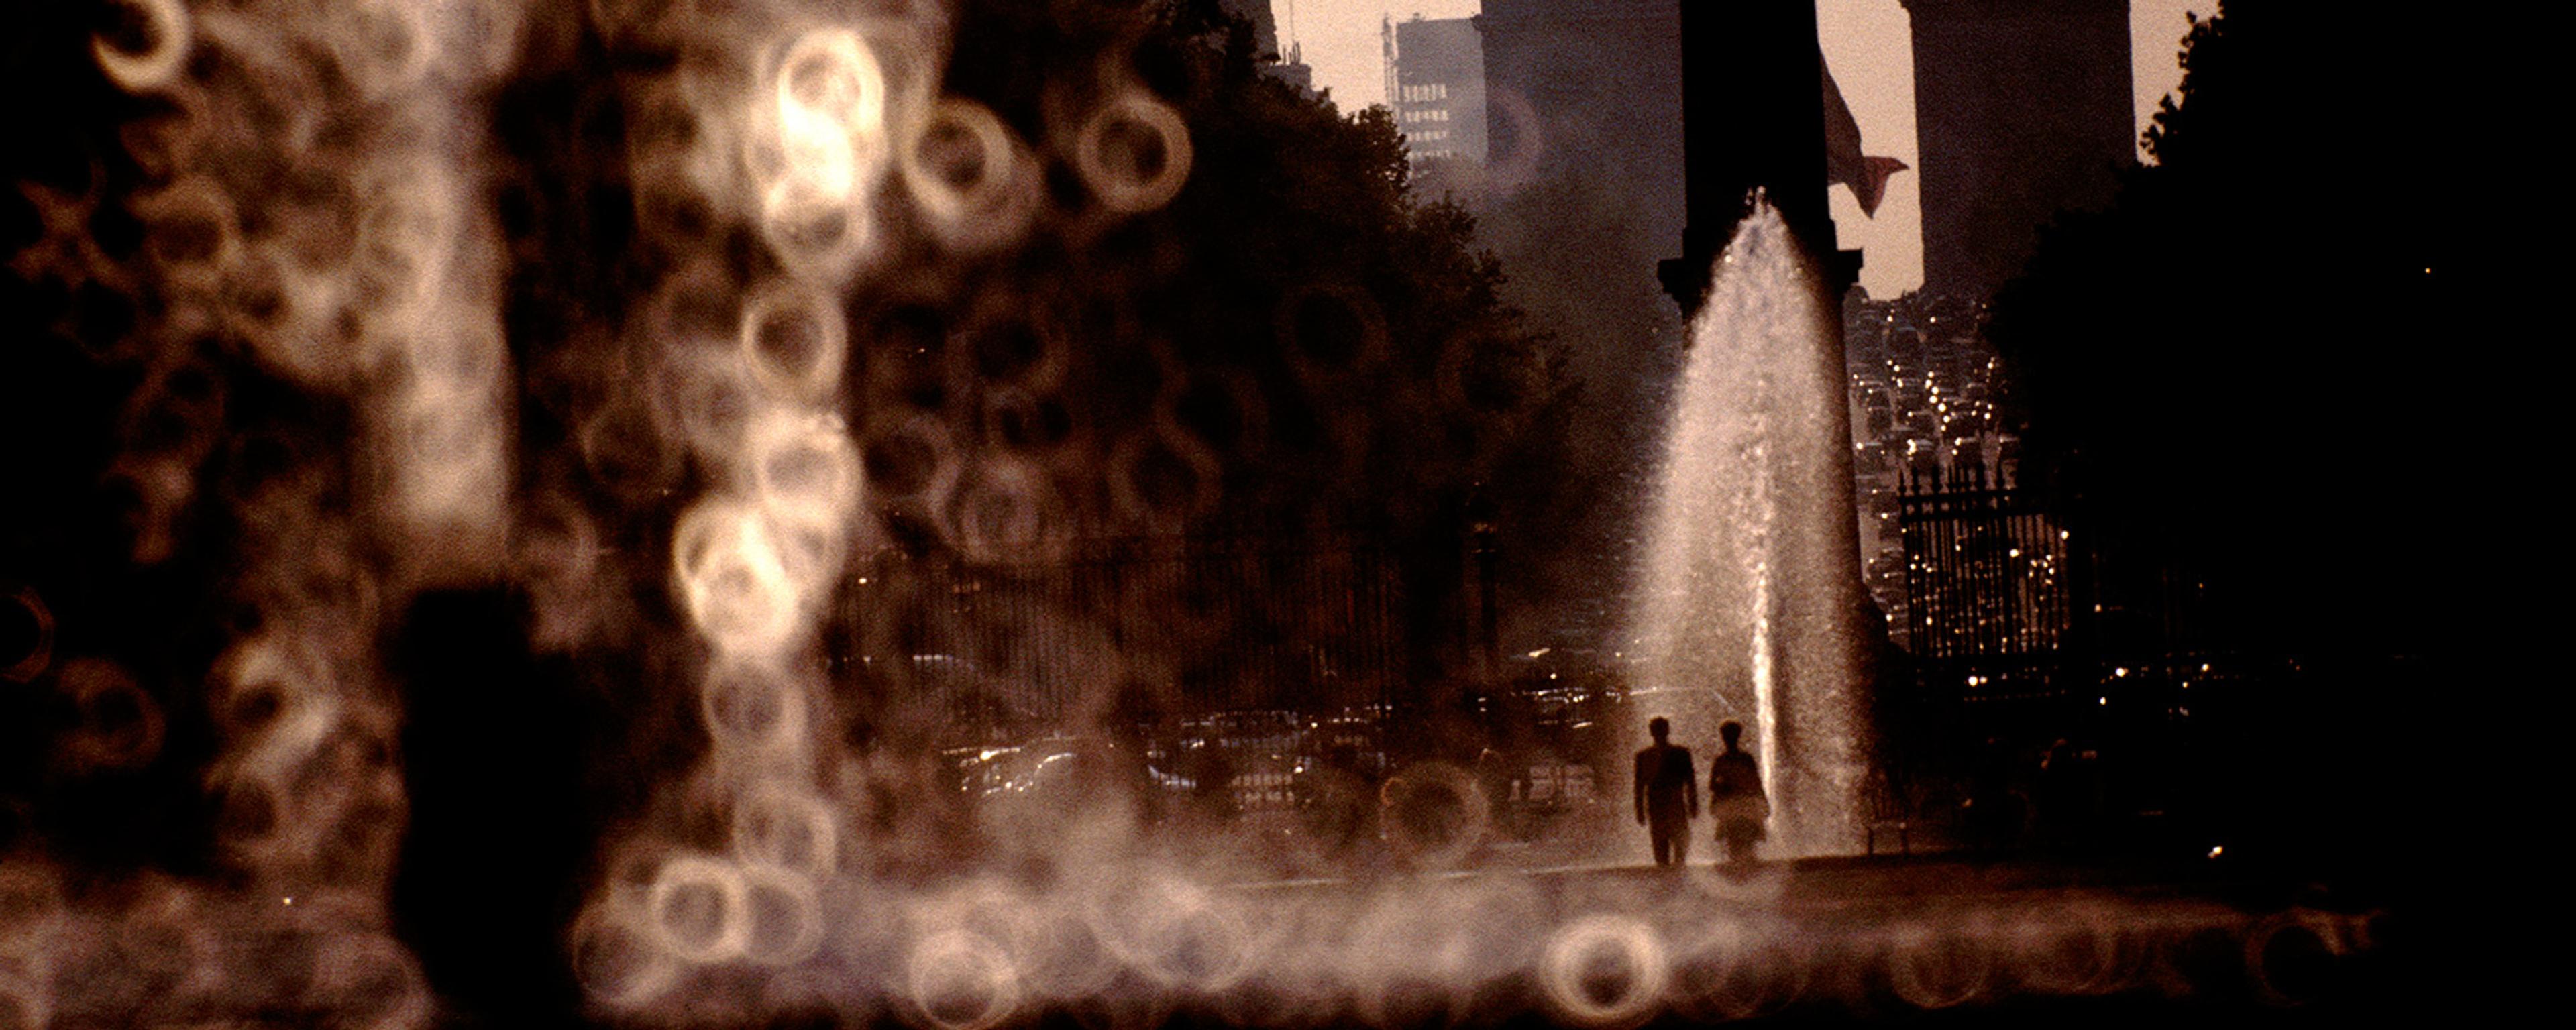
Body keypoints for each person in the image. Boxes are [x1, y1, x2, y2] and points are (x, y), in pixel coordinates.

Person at [1632, 717, 1698, 866]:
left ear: (1651, 732)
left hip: (1658, 808)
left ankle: (1666, 884)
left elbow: (1639, 787)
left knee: (1662, 854)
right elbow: (1690, 782)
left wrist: (1640, 811)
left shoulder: (1643, 756)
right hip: (1675, 807)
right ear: (1668, 730)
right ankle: (1679, 882)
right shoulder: (1682, 753)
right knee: (1679, 852)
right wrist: (1693, 804)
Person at [1708, 720, 1769, 868]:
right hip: (1741, 805)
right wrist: (1763, 801)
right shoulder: (1744, 759)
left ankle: (1740, 869)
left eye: (1729, 736)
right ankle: (1746, 869)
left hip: (1735, 806)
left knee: (1737, 840)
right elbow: (1756, 783)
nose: (1728, 739)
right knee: (1741, 840)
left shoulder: (1723, 760)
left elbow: (1713, 786)